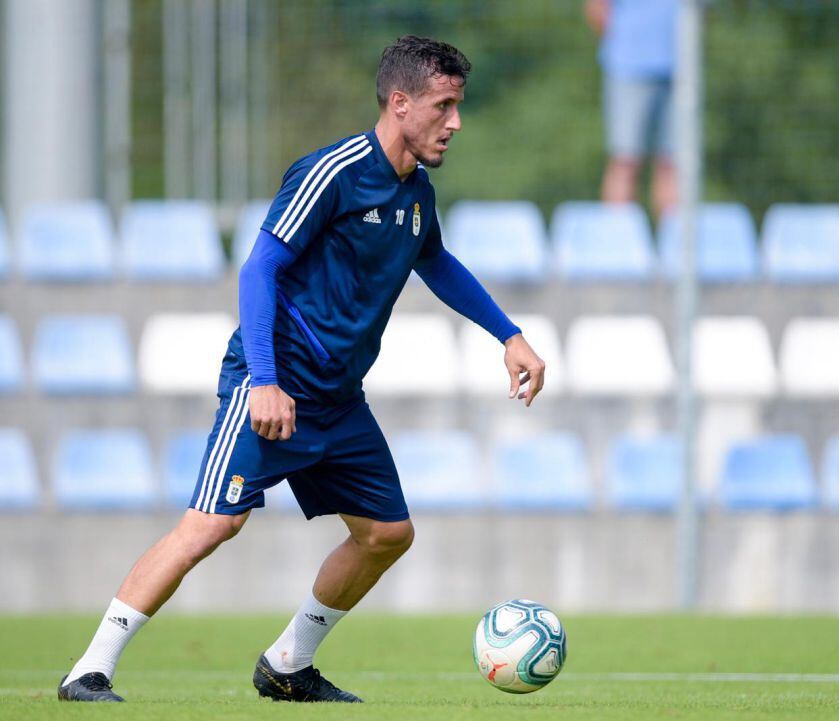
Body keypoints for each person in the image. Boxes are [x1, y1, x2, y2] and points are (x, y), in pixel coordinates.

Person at [58, 36, 546, 704]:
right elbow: (260, 267)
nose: (454, 122)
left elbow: (435, 261)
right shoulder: (333, 172)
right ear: (400, 104)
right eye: (444, 106)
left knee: (386, 534)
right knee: (210, 525)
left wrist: (509, 334)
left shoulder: (415, 194)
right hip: (274, 379)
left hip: (339, 398)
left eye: (458, 106)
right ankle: (90, 668)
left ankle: (288, 662)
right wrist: (263, 379)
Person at [586, 0, 678, 215]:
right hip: (629, 69)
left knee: (673, 163)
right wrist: (629, 42)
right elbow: (596, 8)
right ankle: (618, 240)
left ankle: (676, 242)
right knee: (625, 160)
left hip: (680, 71)